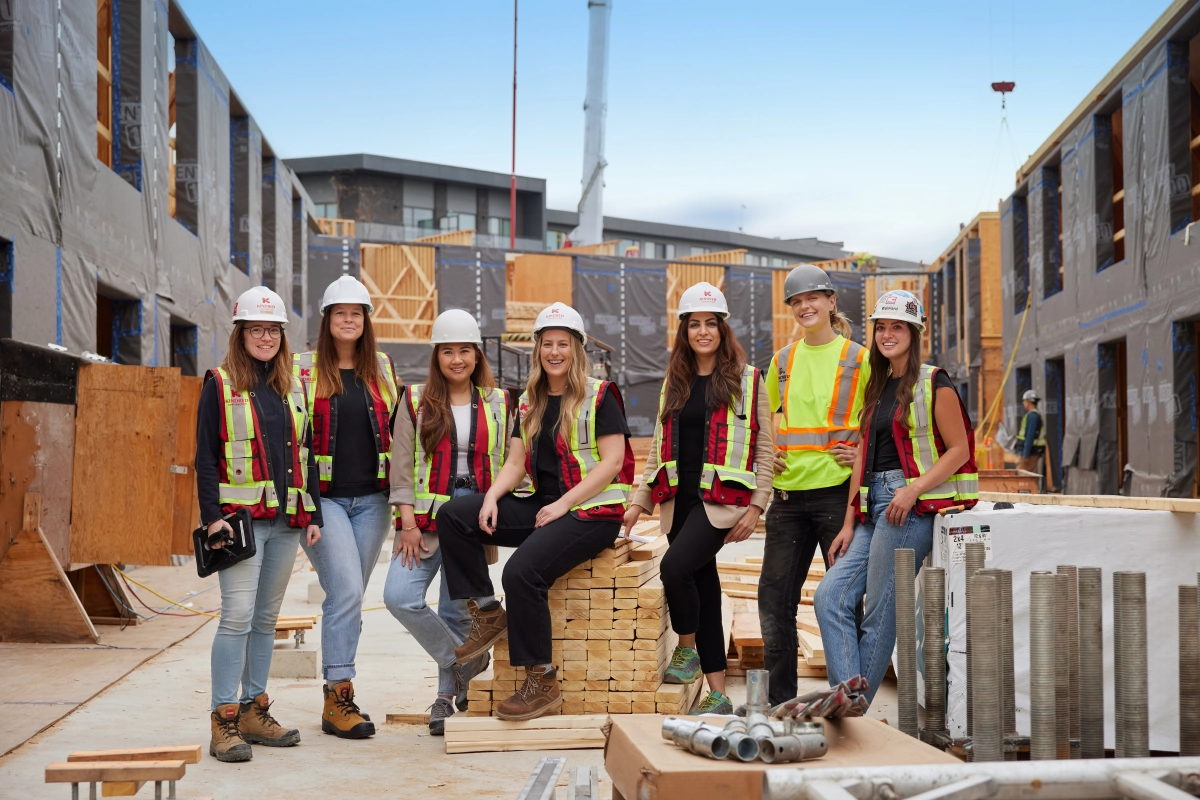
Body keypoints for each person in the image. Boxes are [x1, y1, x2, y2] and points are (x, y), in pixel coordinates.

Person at [436, 302, 634, 722]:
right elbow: (514, 462)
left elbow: (612, 461)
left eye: (563, 343)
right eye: (548, 344)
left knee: (521, 572)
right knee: (456, 515)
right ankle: (489, 613)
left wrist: (565, 503)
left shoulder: (601, 394)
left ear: (577, 349)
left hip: (592, 512)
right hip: (545, 504)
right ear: (538, 350)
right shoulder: (528, 400)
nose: (555, 352)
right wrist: (491, 497)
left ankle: (541, 681)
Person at [814, 290, 977, 704]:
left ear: (915, 332)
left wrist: (912, 489)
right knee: (829, 596)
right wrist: (849, 522)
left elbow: (959, 450)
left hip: (911, 506)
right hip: (874, 504)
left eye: (897, 327)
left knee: (879, 612)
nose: (887, 334)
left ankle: (850, 708)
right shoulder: (878, 384)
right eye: (881, 327)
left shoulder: (933, 381)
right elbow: (864, 456)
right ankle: (849, 701)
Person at [623, 282, 775, 715]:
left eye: (711, 323)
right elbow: (656, 446)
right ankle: (719, 696)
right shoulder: (675, 379)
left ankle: (685, 651)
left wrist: (757, 505)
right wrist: (639, 502)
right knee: (706, 593)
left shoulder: (748, 380)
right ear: (684, 331)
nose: (703, 331)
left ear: (723, 330)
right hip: (678, 501)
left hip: (720, 503)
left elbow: (765, 448)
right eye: (695, 324)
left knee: (674, 567)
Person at [195, 287, 322, 763]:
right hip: (239, 526)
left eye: (272, 329)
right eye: (256, 329)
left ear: (281, 335)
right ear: (241, 333)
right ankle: (223, 718)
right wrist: (213, 519)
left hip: (287, 522)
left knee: (266, 620)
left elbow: (304, 455)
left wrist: (312, 514)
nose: (265, 337)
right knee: (237, 618)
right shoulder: (220, 383)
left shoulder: (292, 386)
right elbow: (205, 458)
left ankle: (254, 708)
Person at [384, 309, 508, 735]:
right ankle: (465, 660)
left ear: (477, 355)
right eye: (448, 351)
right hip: (423, 517)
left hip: (470, 518)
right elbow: (400, 464)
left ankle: (443, 698)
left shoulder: (498, 402)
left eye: (465, 351)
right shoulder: (415, 399)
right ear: (437, 355)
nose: (457, 359)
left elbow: (511, 462)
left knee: (455, 610)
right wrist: (406, 523)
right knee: (400, 598)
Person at [292, 276, 399, 739]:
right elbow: (291, 439)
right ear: (327, 320)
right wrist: (308, 509)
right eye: (340, 313)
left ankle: (339, 696)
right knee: (348, 594)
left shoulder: (383, 368)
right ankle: (339, 695)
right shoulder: (302, 368)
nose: (349, 320)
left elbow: (401, 432)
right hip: (326, 501)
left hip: (373, 502)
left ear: (366, 320)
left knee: (350, 598)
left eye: (357, 313)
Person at [760, 263, 870, 706]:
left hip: (835, 496)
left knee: (842, 604)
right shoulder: (782, 361)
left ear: (830, 302)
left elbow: (877, 420)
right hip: (787, 498)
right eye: (796, 301)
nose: (805, 307)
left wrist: (859, 449)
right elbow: (767, 418)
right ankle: (779, 701)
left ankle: (853, 694)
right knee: (774, 603)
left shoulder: (859, 358)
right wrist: (772, 454)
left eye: (812, 299)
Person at [1016, 389, 1046, 474]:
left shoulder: (1033, 416)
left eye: (1024, 401)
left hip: (1030, 453)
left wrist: (1026, 454)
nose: (1023, 403)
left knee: (1023, 478)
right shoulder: (1033, 415)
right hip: (1031, 452)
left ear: (1029, 401)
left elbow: (1030, 436)